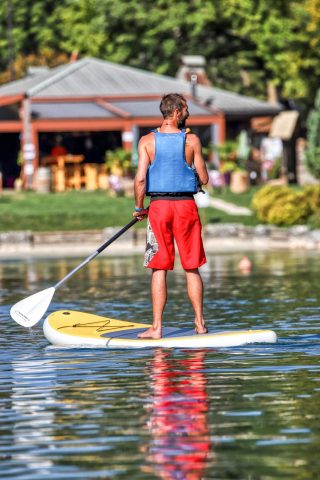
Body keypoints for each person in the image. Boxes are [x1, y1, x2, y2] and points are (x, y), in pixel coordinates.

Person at [133, 93, 208, 339]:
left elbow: (141, 178)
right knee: (191, 267)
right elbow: (204, 178)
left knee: (159, 268)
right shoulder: (192, 140)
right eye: (185, 110)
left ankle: (156, 328)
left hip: (158, 208)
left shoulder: (146, 141)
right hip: (186, 206)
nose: (187, 114)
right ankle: (199, 324)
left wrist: (139, 207)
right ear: (176, 112)